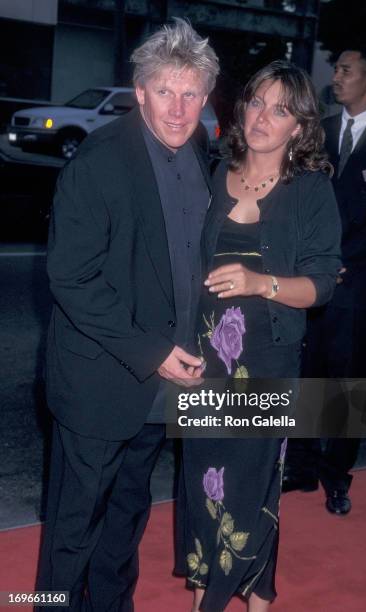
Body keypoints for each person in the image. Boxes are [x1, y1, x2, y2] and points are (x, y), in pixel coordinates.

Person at [36, 18, 219, 611]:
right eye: (164, 91)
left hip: (164, 384)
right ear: (138, 91)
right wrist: (153, 353)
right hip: (101, 381)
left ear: (206, 96)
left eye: (190, 92)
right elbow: (71, 276)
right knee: (74, 528)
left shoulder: (197, 147)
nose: (177, 107)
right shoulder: (99, 160)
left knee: (127, 516)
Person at [175, 60, 341, 612]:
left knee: (250, 485)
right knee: (202, 483)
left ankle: (246, 600)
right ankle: (206, 587)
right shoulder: (208, 170)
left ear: (300, 126)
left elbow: (320, 286)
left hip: (266, 356)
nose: (262, 117)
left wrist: (258, 282)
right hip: (204, 356)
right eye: (255, 103)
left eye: (280, 110)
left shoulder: (311, 191)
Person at [283, 47, 366, 515]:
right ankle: (298, 465)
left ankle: (337, 477)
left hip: (356, 286)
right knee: (307, 377)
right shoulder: (320, 134)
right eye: (336, 69)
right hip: (310, 285)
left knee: (347, 385)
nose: (336, 77)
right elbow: (300, 199)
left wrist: (336, 260)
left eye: (345, 70)